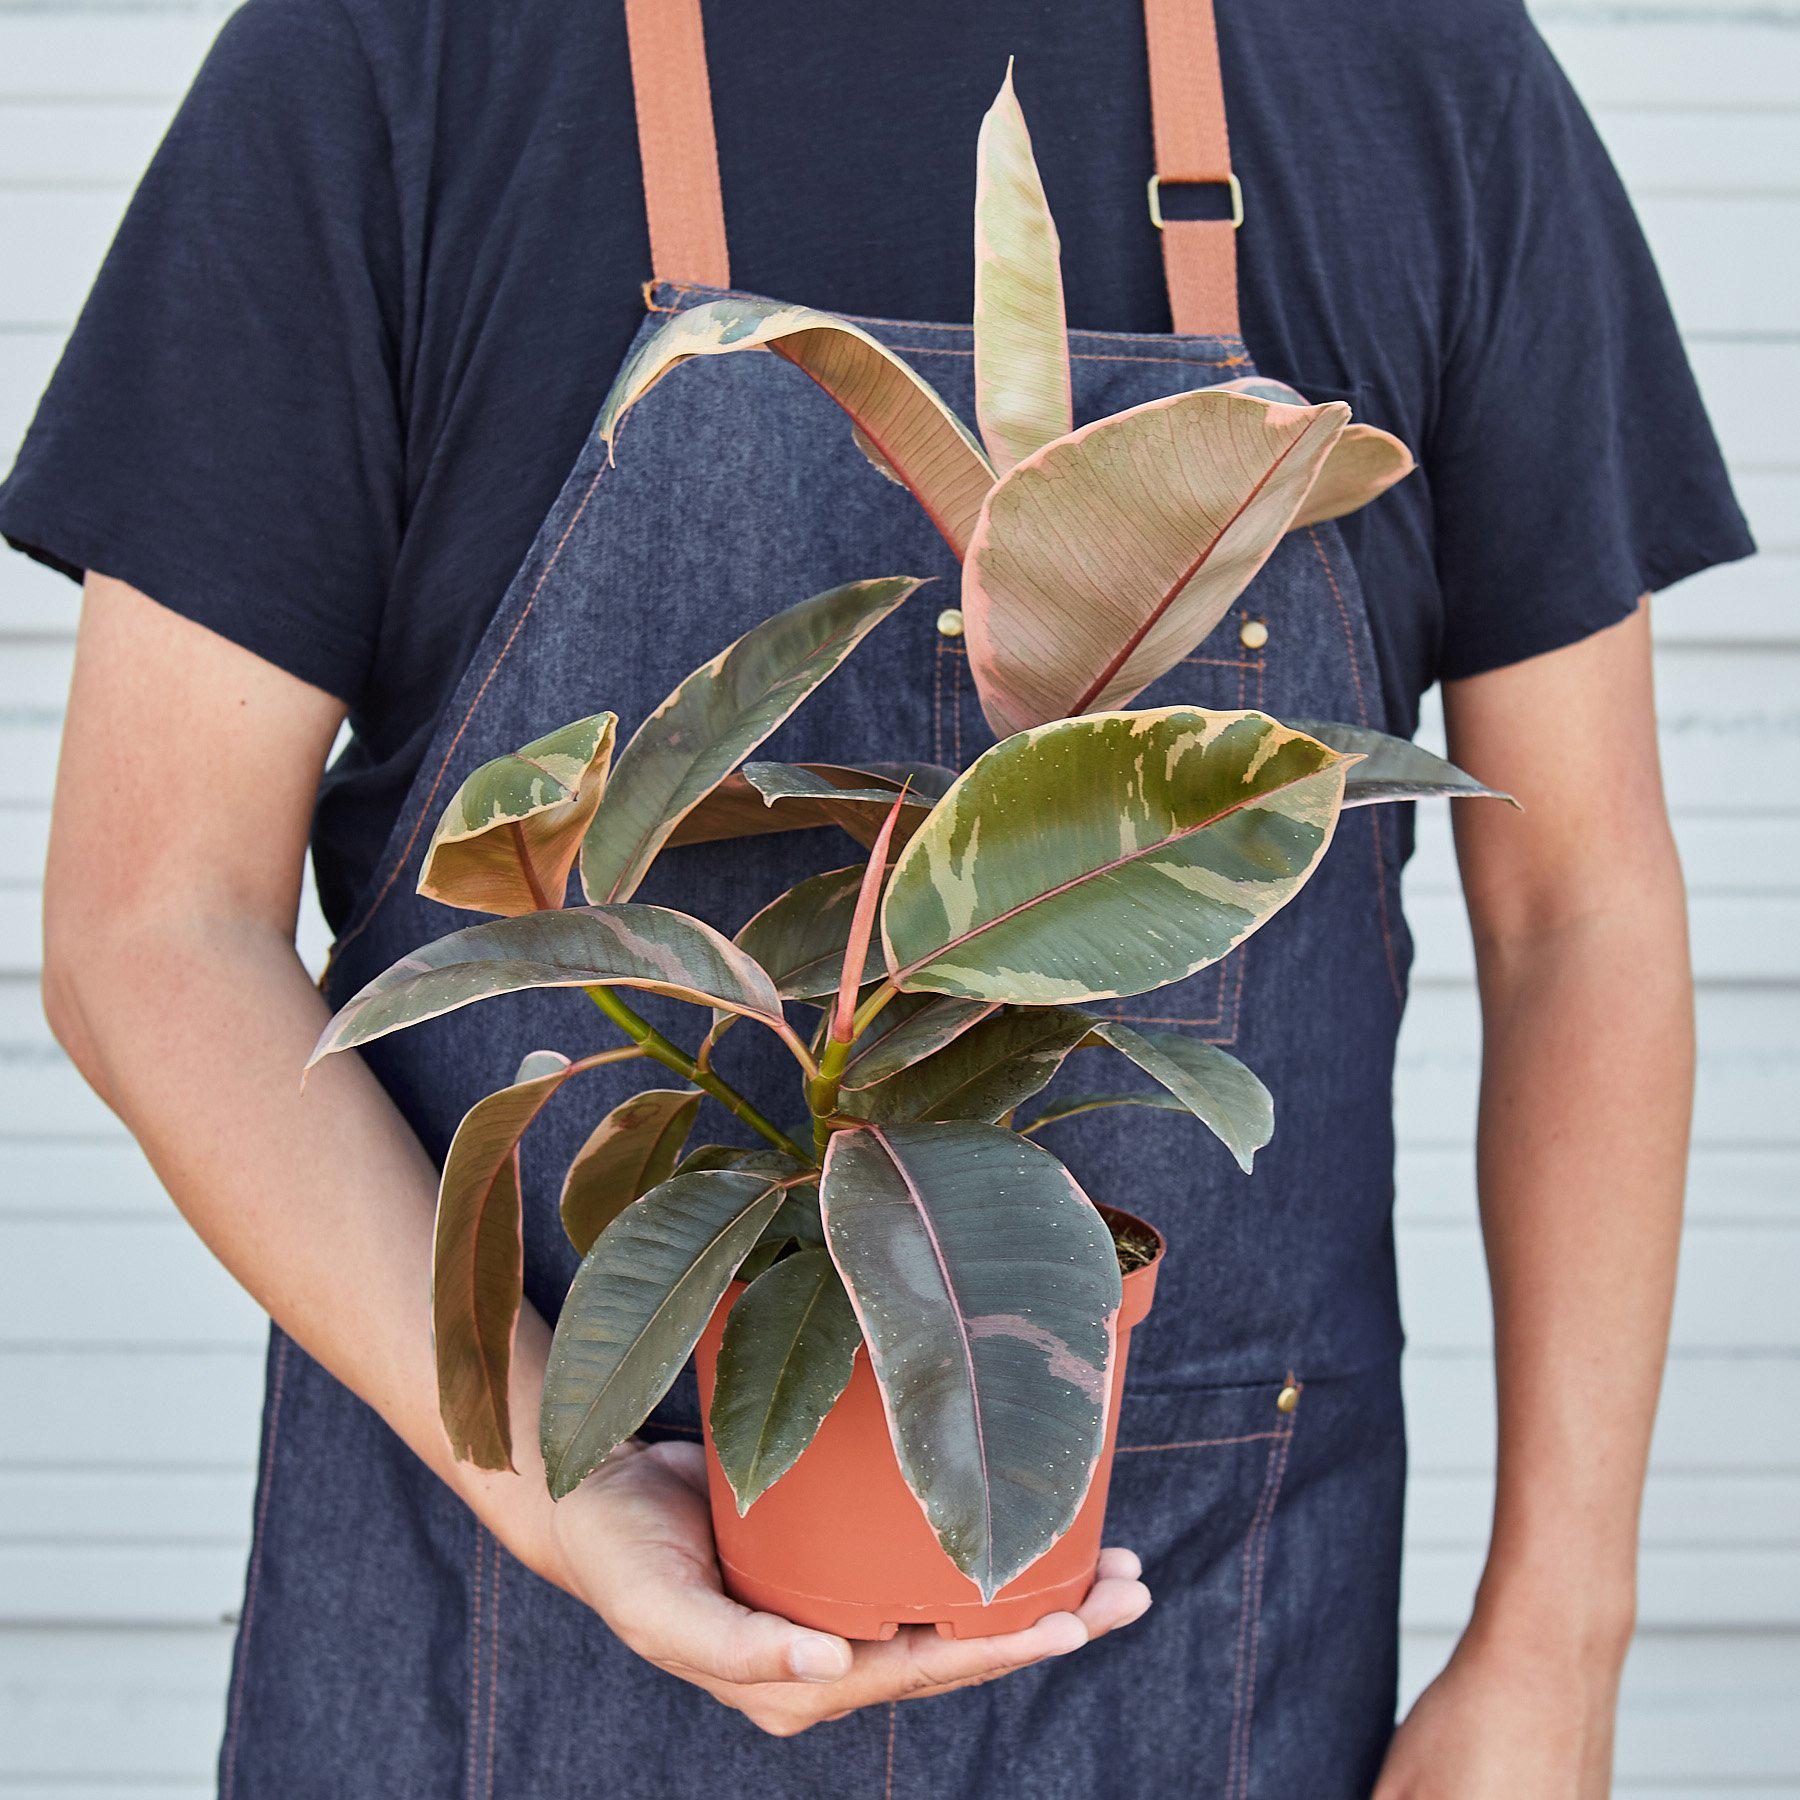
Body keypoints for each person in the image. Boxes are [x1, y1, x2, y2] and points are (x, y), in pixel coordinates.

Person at [4, 0, 1752, 1792]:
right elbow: (152, 924)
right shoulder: (394, 58)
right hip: (501, 1658)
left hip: (1207, 1659)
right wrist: (557, 1482)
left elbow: (1580, 910)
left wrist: (1557, 1646)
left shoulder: (1415, 73)